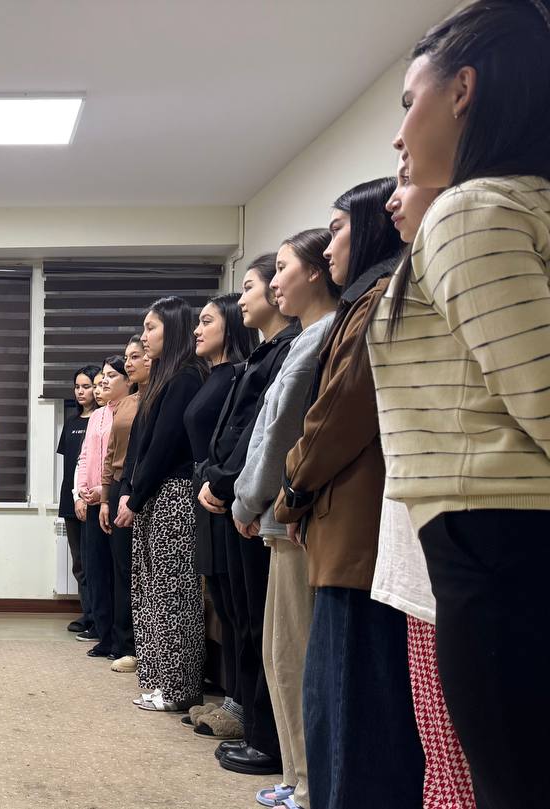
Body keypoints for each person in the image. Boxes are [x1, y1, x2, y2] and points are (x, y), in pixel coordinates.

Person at [369, 5, 550, 803]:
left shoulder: (473, 211)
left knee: (512, 781)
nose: (399, 137)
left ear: (464, 90)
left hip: (499, 535)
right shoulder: (516, 203)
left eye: (410, 102)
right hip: (501, 530)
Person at [272, 177, 422, 809]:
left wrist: (291, 489)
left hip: (356, 530)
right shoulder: (366, 298)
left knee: (351, 702)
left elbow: (335, 415)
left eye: (336, 229)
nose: (329, 244)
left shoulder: (375, 299)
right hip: (344, 524)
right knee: (333, 695)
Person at [369, 150, 474, 809]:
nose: (392, 198)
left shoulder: (477, 237)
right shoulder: (417, 271)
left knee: (478, 749)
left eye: (406, 179)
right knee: (442, 743)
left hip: (471, 533)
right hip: (421, 539)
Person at [231, 229, 338, 797]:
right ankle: (296, 779)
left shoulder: (321, 336)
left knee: (293, 657)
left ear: (316, 271)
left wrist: (247, 498)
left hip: (290, 518)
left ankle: (307, 787)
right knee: (280, 655)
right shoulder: (304, 339)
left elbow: (279, 436)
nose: (274, 283)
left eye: (282, 268)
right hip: (276, 517)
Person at [199, 254, 295, 805]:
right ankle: (249, 720)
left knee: (260, 622)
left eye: (251, 285)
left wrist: (229, 483)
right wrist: (217, 477)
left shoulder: (291, 348)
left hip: (253, 501)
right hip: (233, 494)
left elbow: (265, 431)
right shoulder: (261, 354)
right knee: (240, 616)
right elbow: (234, 430)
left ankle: (264, 737)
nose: (243, 298)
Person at [117, 296, 208, 713]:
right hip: (152, 494)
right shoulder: (162, 379)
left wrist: (134, 497)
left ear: (172, 329)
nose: (145, 336)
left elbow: (164, 446)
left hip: (173, 494)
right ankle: (156, 680)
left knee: (173, 592)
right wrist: (132, 491)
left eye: (151, 327)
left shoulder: (187, 377)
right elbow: (141, 445)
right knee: (149, 591)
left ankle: (178, 686)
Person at [184, 292, 257, 740]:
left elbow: (235, 441)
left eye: (207, 321)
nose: (198, 329)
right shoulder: (213, 376)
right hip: (207, 492)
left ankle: (243, 707)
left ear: (230, 324)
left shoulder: (237, 374)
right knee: (225, 608)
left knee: (239, 611)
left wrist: (217, 480)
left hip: (224, 495)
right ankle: (232, 700)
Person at [80, 353, 131, 661]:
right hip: (93, 500)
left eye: (111, 376)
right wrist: (81, 491)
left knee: (117, 571)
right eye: (103, 376)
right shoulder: (98, 414)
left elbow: (119, 460)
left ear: (127, 380)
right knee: (96, 569)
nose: (104, 382)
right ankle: (104, 635)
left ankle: (122, 639)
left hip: (113, 497)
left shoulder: (131, 409)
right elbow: (86, 455)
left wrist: (104, 490)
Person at [103, 340, 148, 672]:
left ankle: (143, 646)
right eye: (127, 357)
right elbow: (111, 452)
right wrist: (106, 497)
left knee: (142, 571)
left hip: (146, 486)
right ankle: (123, 643)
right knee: (121, 569)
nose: (130, 363)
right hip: (120, 484)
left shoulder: (159, 397)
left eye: (136, 356)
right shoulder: (126, 403)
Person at [56, 364, 99, 634]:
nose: (81, 391)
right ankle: (88, 614)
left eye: (87, 386)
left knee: (95, 562)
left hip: (93, 500)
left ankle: (99, 618)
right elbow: (69, 464)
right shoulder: (71, 423)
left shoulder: (102, 420)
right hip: (69, 500)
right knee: (79, 563)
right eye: (77, 387)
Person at [71, 369, 111, 646]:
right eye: (85, 386)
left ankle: (104, 626)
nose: (95, 389)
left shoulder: (120, 413)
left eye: (96, 384)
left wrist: (101, 492)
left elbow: (113, 459)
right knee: (86, 565)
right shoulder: (91, 418)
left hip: (107, 497)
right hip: (85, 497)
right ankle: (94, 620)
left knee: (105, 568)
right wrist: (79, 493)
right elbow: (81, 459)